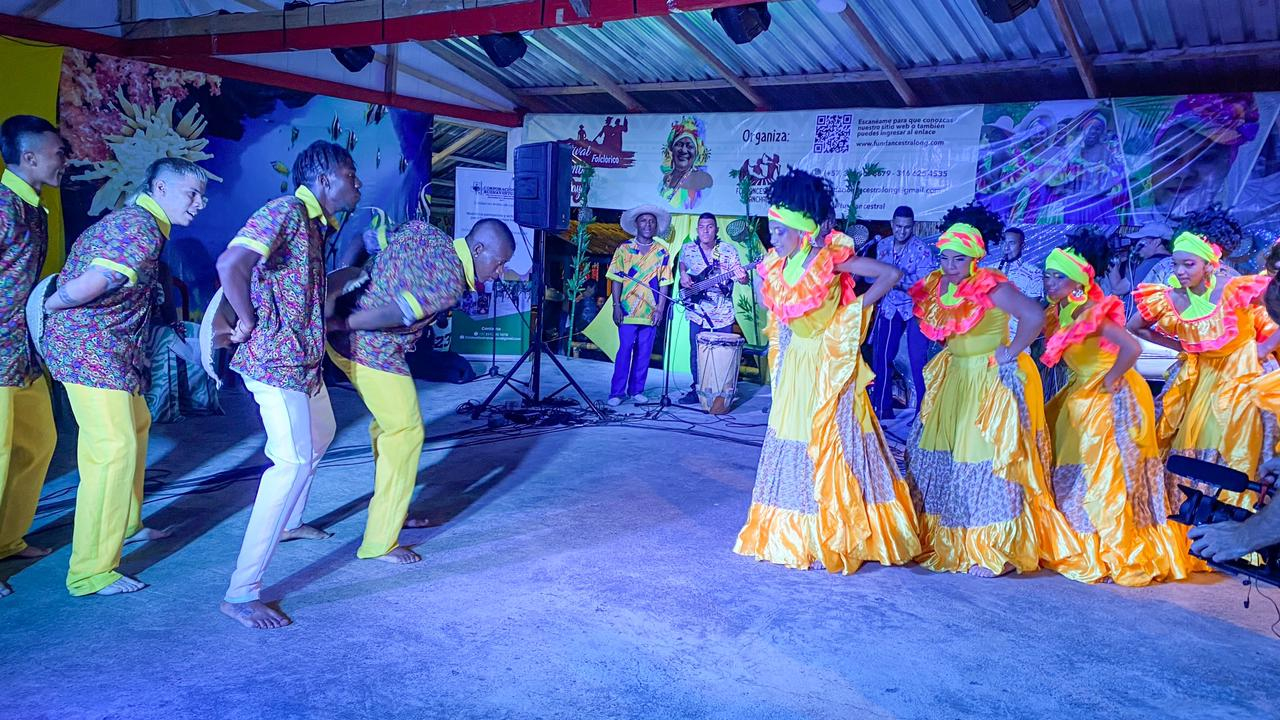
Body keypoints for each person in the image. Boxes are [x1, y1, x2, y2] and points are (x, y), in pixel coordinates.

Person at [734, 169, 920, 573]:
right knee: (792, 439)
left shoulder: (829, 261)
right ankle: (792, 530)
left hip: (826, 365)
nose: (773, 238)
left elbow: (890, 275)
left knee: (826, 443)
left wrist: (851, 312)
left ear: (802, 232)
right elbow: (781, 318)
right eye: (772, 230)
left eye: (780, 231)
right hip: (795, 366)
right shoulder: (776, 264)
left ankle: (826, 534)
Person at [43, 157, 209, 596]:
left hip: (112, 350)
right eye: (190, 193)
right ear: (158, 188)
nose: (200, 203)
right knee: (112, 449)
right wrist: (51, 305)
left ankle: (127, 524)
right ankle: (90, 572)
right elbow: (97, 280)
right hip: (90, 351)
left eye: (202, 194)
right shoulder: (139, 227)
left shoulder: (143, 224)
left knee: (136, 425)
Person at [215, 140, 361, 629]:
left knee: (320, 435)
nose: (356, 183)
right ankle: (241, 592)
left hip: (304, 364)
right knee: (292, 460)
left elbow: (303, 293)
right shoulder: (286, 209)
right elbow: (230, 264)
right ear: (323, 178)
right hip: (276, 364)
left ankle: (291, 521)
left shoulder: (316, 225)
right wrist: (249, 319)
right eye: (350, 173)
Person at [325, 218, 513, 564]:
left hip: (348, 343)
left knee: (388, 425)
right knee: (406, 431)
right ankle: (379, 543)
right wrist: (343, 321)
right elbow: (395, 312)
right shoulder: (450, 281)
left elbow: (362, 238)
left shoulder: (421, 230)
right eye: (499, 262)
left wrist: (344, 280)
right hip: (371, 348)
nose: (499, 272)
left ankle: (393, 510)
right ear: (478, 249)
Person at [906, 221, 1080, 578]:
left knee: (984, 458)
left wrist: (1011, 352)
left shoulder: (990, 286)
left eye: (959, 259)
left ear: (975, 259)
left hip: (987, 380)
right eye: (945, 257)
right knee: (938, 454)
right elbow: (944, 328)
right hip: (955, 378)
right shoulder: (939, 285)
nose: (950, 265)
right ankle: (949, 537)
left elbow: (1033, 317)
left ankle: (992, 547)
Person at [1039, 229, 1191, 585]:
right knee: (1075, 466)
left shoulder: (1091, 311)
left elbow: (1131, 348)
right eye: (1047, 274)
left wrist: (1111, 380)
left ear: (1076, 281)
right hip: (1082, 395)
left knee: (1107, 471)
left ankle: (1115, 546)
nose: (1049, 281)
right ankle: (1081, 538)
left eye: (1058, 276)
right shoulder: (1060, 310)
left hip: (1111, 397)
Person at [1127, 231, 1280, 512]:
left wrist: (1265, 346)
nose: (1180, 271)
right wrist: (1181, 345)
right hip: (1203, 376)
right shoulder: (1170, 297)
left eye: (1189, 264)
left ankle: (1239, 521)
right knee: (1192, 443)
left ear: (1209, 265)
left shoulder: (1235, 288)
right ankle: (1194, 522)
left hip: (1243, 372)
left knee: (1236, 443)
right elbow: (1134, 327)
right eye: (1176, 264)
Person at [0, 116, 67, 598]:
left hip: (22, 351)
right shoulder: (3, 208)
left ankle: (7, 538)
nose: (63, 160)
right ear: (29, 158)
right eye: (57, 152)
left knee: (38, 443)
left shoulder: (33, 207)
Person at [606, 204, 674, 407]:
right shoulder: (624, 249)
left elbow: (665, 284)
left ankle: (637, 390)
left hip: (651, 311)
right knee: (625, 351)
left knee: (644, 353)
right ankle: (616, 392)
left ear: (656, 226)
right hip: (627, 310)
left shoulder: (662, 252)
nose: (648, 224)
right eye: (644, 221)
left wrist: (660, 309)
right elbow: (616, 279)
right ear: (636, 224)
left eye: (651, 221)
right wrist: (616, 305)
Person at [677, 213, 748, 405]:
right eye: (702, 227)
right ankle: (697, 388)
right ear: (697, 230)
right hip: (697, 311)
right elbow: (682, 263)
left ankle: (720, 393)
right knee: (696, 352)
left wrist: (742, 277)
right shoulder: (688, 248)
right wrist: (683, 274)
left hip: (722, 312)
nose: (705, 230)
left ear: (716, 230)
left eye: (710, 227)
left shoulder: (727, 250)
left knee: (722, 353)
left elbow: (742, 278)